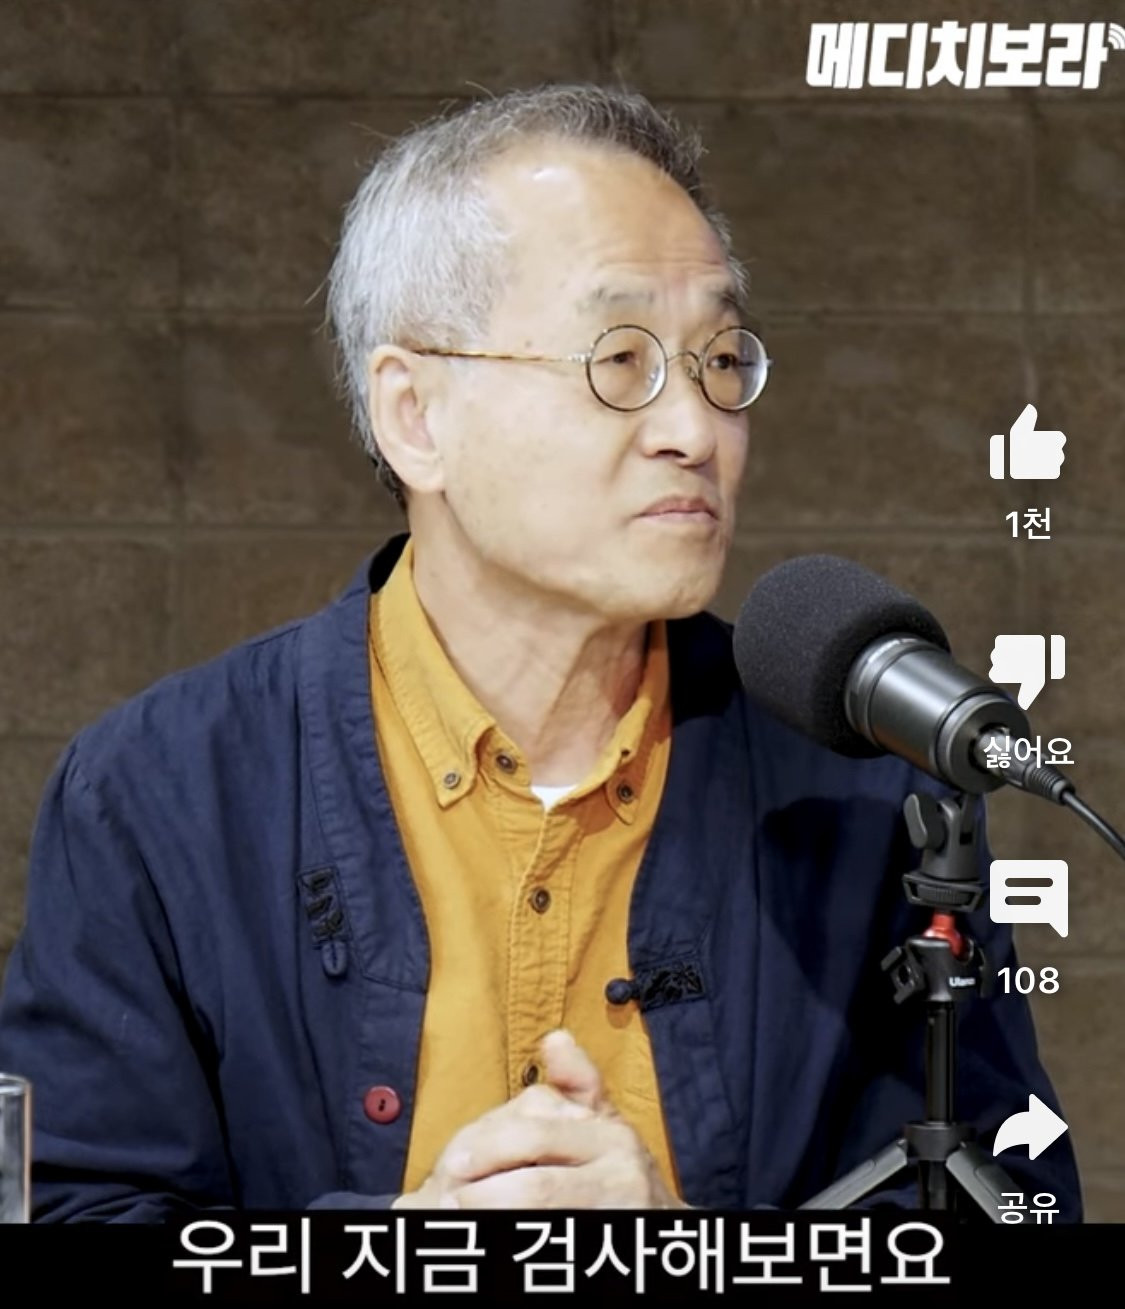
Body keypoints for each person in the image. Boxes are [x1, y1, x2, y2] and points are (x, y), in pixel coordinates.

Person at [0, 84, 1080, 1221]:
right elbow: (68, 1204)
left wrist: (684, 1254)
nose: (694, 430)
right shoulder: (158, 793)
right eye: (620, 361)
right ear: (415, 415)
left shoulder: (860, 788)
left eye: (720, 360)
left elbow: (1012, 1196)